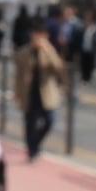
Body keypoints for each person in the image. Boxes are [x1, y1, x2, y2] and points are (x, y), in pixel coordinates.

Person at [14, 21, 64, 160]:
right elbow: (18, 76)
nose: (38, 39)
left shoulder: (49, 50)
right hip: (29, 92)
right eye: (36, 35)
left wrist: (48, 50)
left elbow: (59, 68)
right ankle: (31, 150)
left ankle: (36, 143)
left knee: (49, 121)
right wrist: (17, 93)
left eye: (42, 36)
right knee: (30, 123)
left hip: (46, 92)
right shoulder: (24, 52)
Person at [78, 11, 96, 84]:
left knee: (90, 64)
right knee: (83, 63)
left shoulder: (95, 27)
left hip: (91, 49)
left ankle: (88, 78)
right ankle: (84, 77)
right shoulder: (83, 27)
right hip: (84, 48)